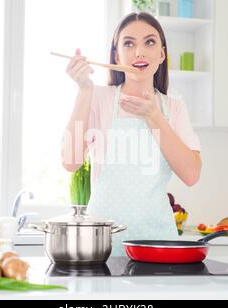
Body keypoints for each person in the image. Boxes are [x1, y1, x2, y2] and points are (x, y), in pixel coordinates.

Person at [61, 12, 202, 256]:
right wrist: (84, 90)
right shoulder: (98, 99)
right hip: (103, 244)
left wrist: (155, 117)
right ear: (117, 55)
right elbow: (70, 161)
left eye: (149, 42)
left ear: (162, 54)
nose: (139, 52)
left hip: (157, 245)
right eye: (129, 43)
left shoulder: (174, 108)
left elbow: (191, 174)